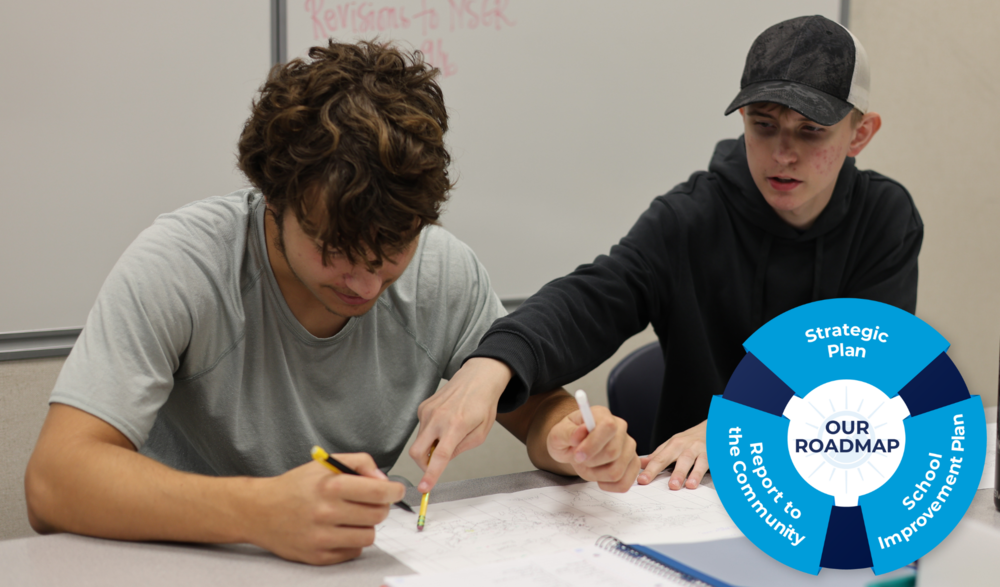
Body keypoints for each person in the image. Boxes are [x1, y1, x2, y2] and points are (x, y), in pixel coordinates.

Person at [24, 41, 639, 566]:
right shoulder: (184, 265)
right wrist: (259, 512)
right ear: (274, 197)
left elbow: (532, 413)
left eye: (392, 252)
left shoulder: (442, 273)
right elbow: (55, 481)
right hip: (184, 560)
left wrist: (572, 440)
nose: (367, 286)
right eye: (335, 250)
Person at [413, 15, 923, 496]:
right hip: (690, 497)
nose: (783, 153)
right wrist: (496, 360)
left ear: (860, 134)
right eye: (764, 125)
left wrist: (739, 425)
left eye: (811, 130)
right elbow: (595, 297)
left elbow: (867, 374)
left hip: (826, 484)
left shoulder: (885, 219)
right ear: (743, 118)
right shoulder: (690, 218)